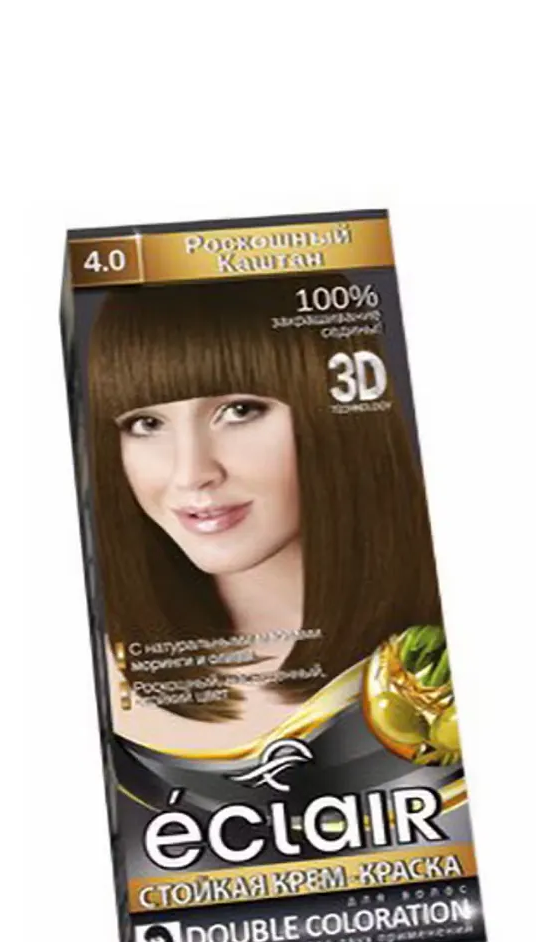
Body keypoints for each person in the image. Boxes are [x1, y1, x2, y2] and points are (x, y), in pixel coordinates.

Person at [87, 275, 441, 751]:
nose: (191, 474)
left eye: (239, 410)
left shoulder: (438, 642)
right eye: (146, 423)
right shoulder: (107, 677)